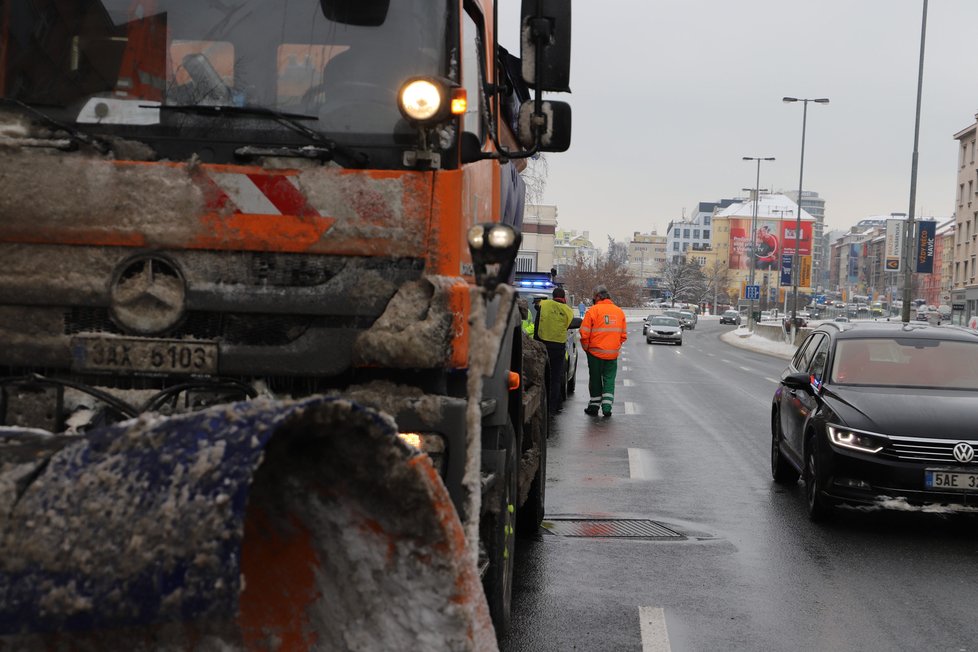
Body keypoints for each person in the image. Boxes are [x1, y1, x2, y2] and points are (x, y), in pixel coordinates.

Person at [579, 285, 627, 417]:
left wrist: (586, 348)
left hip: (595, 353)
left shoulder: (593, 311)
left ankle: (594, 407)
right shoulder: (619, 312)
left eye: (594, 297)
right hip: (612, 354)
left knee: (595, 379)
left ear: (598, 296)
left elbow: (584, 333)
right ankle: (607, 407)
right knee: (609, 380)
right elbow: (623, 336)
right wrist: (614, 346)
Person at [534, 288, 575, 415]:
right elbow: (568, 325)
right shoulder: (568, 310)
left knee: (540, 376)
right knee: (556, 378)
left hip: (542, 344)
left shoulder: (544, 304)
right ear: (564, 298)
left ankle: (541, 405)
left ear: (553, 296)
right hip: (558, 347)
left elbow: (536, 306)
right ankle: (552, 407)